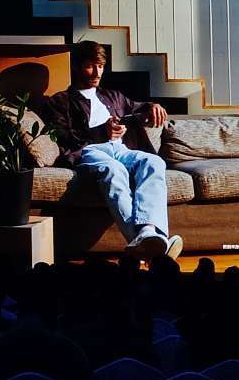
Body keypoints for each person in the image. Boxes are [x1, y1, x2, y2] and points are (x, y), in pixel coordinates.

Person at [42, 41, 183, 259]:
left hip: (121, 150)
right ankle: (149, 244)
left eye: (100, 66)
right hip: (89, 152)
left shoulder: (113, 96)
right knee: (114, 170)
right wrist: (102, 132)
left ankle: (147, 233)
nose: (97, 72)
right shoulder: (60, 101)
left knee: (154, 162)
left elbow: (138, 107)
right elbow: (63, 136)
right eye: (90, 66)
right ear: (76, 67)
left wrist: (153, 105)